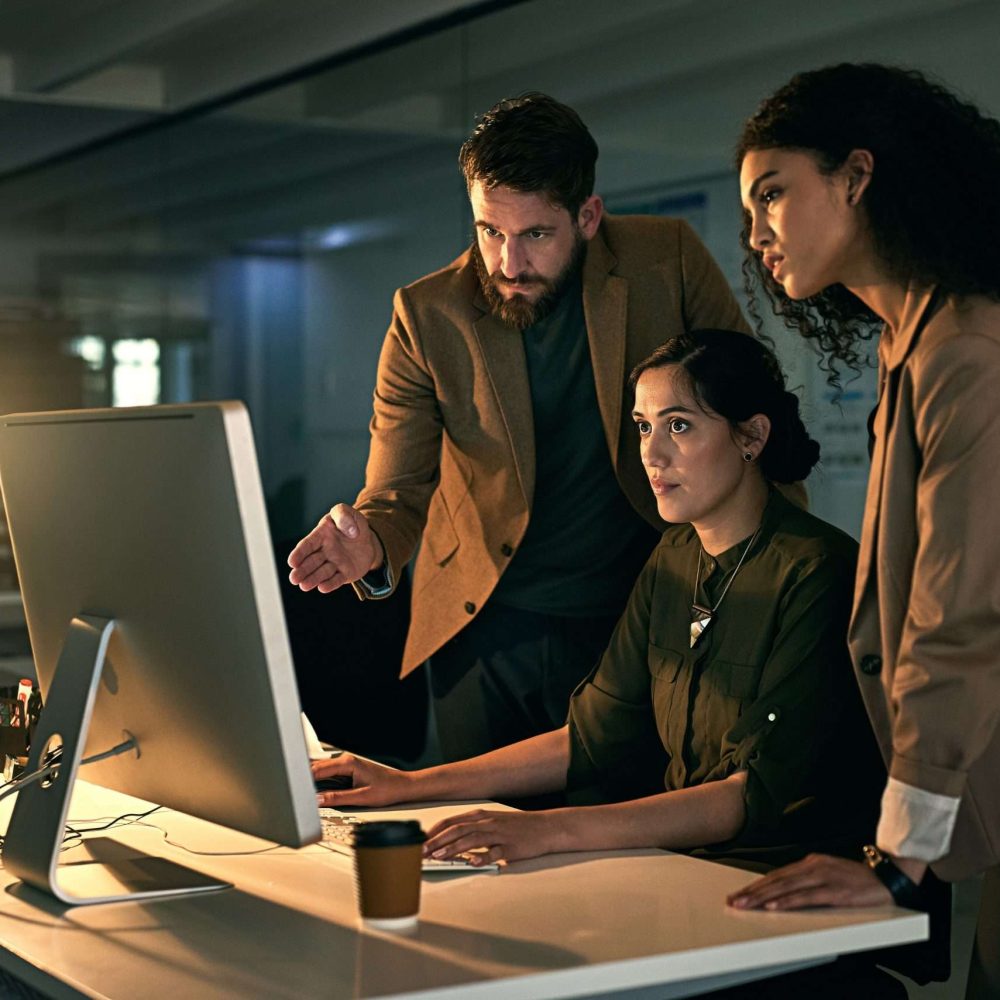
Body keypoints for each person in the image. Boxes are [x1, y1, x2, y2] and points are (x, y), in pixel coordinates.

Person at [314, 330, 898, 996]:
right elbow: (591, 736)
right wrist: (406, 785)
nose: (651, 453)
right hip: (686, 881)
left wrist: (548, 829)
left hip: (780, 898)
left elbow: (751, 795)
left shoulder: (817, 570)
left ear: (751, 436)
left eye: (679, 425)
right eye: (644, 426)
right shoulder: (675, 557)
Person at [287, 93, 748, 763]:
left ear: (588, 217)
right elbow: (398, 491)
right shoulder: (426, 316)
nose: (507, 262)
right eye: (488, 231)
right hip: (481, 630)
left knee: (625, 838)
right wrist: (371, 547)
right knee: (481, 843)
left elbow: (748, 411)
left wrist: (765, 582)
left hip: (634, 617)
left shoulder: (665, 260)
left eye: (534, 234)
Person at [728, 63, 1000, 999]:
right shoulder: (912, 341)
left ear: (856, 176)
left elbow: (956, 619)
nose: (756, 231)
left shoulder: (965, 348)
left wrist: (897, 861)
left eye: (773, 192)